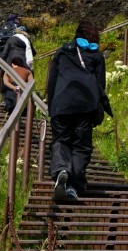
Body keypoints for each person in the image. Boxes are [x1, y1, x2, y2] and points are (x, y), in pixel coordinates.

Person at [44, 20, 112, 205]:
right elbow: (100, 84)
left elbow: (52, 81)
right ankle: (73, 184)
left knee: (60, 140)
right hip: (85, 105)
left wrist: (52, 106)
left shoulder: (62, 52)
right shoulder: (96, 55)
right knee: (81, 145)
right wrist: (100, 108)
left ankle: (61, 171)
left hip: (61, 104)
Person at [0, 14, 34, 118]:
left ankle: (8, 103)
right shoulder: (26, 40)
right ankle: (25, 104)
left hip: (11, 62)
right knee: (25, 81)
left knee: (8, 81)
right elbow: (33, 52)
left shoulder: (10, 37)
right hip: (23, 63)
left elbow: (4, 53)